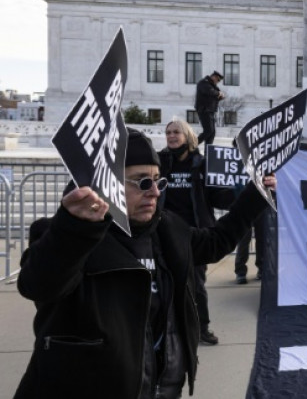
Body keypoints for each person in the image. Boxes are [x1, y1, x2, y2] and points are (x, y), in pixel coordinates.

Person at [15, 129, 275, 398]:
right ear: (107, 183)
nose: (154, 192)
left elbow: (215, 242)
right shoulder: (66, 236)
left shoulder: (166, 229)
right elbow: (38, 285)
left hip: (161, 388)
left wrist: (256, 195)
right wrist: (74, 227)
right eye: (141, 182)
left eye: (157, 181)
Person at [159, 118, 237, 345]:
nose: (171, 136)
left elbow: (218, 197)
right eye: (168, 133)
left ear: (188, 136)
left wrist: (239, 191)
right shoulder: (160, 161)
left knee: (196, 284)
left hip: (195, 234)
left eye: (176, 132)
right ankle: (168, 328)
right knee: (166, 282)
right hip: (165, 233)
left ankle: (201, 327)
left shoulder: (202, 163)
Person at [195, 70, 225, 146]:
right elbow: (209, 91)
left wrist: (219, 95)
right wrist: (218, 93)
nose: (218, 82)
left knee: (212, 133)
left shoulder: (213, 86)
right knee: (208, 131)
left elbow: (216, 95)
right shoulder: (203, 83)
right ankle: (192, 145)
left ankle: (208, 153)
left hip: (210, 111)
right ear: (213, 77)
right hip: (204, 110)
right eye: (217, 80)